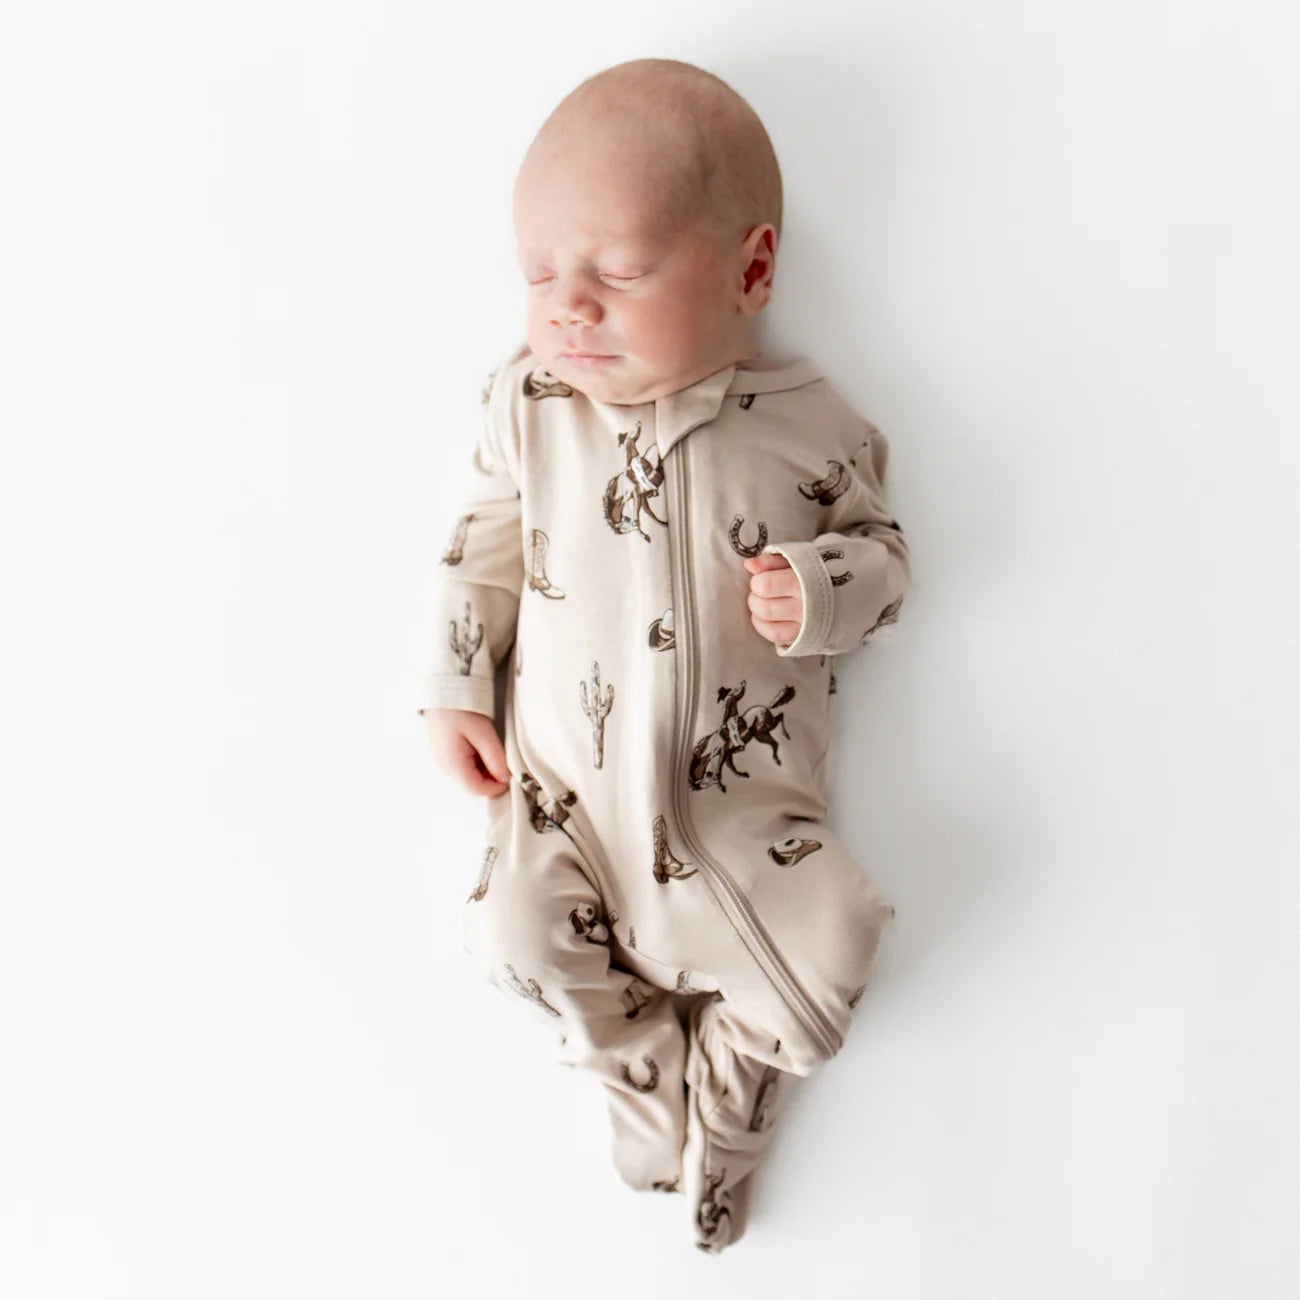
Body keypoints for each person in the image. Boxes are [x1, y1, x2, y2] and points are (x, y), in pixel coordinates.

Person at [413, 57, 910, 1254]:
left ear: (749, 271)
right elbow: (477, 548)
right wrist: (456, 685)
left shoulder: (812, 427)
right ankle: (635, 1066)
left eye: (618, 272)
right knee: (507, 936)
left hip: (740, 831)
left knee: (841, 938)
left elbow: (886, 560)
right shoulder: (531, 408)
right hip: (567, 813)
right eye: (539, 274)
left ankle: (732, 1088)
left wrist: (823, 589)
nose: (567, 308)